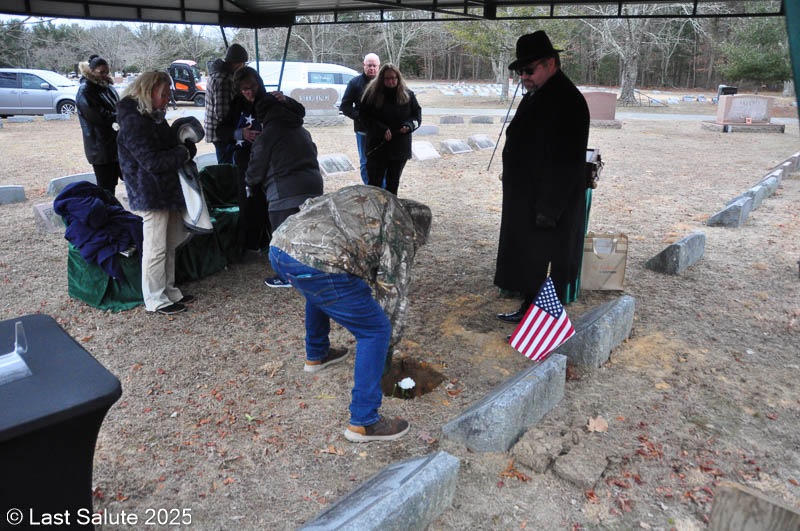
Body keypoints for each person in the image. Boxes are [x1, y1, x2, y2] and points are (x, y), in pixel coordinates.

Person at [268, 185, 431, 442]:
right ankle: (364, 422)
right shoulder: (401, 227)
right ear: (415, 229)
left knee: (317, 288)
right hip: (317, 260)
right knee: (376, 330)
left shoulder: (378, 200)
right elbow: (392, 292)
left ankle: (317, 355)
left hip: (280, 246)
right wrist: (386, 351)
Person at [495, 30, 590, 323]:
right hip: (528, 197)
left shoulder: (568, 101)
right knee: (529, 260)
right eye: (520, 72)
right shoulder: (539, 94)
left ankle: (541, 322)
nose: (523, 77)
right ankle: (528, 310)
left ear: (550, 63)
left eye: (529, 70)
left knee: (546, 262)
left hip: (548, 204)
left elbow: (567, 161)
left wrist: (549, 209)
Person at [116, 71, 197, 316]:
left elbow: (167, 148)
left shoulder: (152, 117)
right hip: (150, 193)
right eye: (163, 93)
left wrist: (182, 146)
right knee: (155, 248)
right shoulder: (134, 122)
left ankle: (169, 291)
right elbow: (152, 162)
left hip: (165, 189)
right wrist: (183, 153)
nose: (167, 98)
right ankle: (155, 299)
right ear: (147, 91)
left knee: (168, 244)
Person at [245, 92, 323, 288]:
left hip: (284, 192)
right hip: (313, 186)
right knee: (308, 235)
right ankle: (311, 271)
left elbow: (256, 166)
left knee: (282, 238)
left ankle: (286, 276)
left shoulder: (268, 134)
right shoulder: (301, 130)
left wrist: (249, 183)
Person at [217, 66, 269, 259]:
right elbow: (221, 130)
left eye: (253, 87)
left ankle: (269, 240)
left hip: (268, 159)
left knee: (268, 199)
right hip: (245, 159)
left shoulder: (268, 101)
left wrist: (286, 101)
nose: (249, 92)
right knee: (248, 200)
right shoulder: (237, 104)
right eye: (244, 89)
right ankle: (251, 244)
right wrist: (240, 133)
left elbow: (298, 114)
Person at [360, 64, 421, 196]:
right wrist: (380, 129)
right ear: (381, 79)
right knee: (375, 185)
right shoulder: (371, 95)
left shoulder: (408, 95)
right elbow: (364, 118)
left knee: (393, 184)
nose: (391, 81)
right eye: (387, 78)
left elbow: (416, 117)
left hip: (399, 148)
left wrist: (409, 126)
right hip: (378, 146)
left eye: (394, 78)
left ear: (398, 78)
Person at [75, 54, 123, 195]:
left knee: (131, 178)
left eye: (106, 72)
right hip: (100, 148)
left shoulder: (108, 87)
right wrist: (124, 116)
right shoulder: (85, 91)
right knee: (106, 187)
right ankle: (107, 208)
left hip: (116, 144)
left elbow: (118, 107)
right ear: (91, 71)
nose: (105, 75)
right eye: (101, 72)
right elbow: (100, 116)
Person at [204, 43, 249, 164]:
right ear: (237, 63)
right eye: (243, 64)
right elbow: (222, 114)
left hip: (221, 132)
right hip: (222, 134)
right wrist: (237, 131)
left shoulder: (219, 74)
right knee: (227, 168)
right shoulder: (224, 80)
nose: (244, 67)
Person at [340, 53, 380, 184]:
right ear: (364, 65)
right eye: (369, 65)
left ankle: (383, 189)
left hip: (382, 131)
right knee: (365, 161)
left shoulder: (384, 82)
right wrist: (359, 117)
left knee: (382, 160)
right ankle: (369, 187)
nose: (372, 68)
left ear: (379, 66)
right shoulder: (355, 83)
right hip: (363, 130)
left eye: (374, 65)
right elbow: (345, 106)